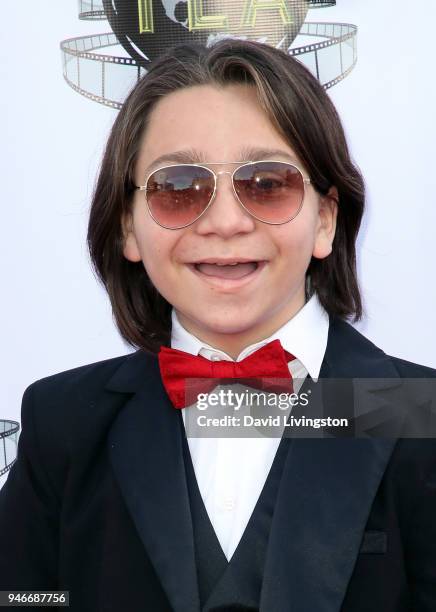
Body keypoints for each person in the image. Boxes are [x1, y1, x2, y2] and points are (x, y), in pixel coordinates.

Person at [0, 38, 435, 612]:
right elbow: (25, 600)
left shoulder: (419, 415)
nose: (225, 222)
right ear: (128, 226)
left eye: (267, 184)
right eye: (178, 189)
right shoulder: (65, 424)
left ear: (325, 220)